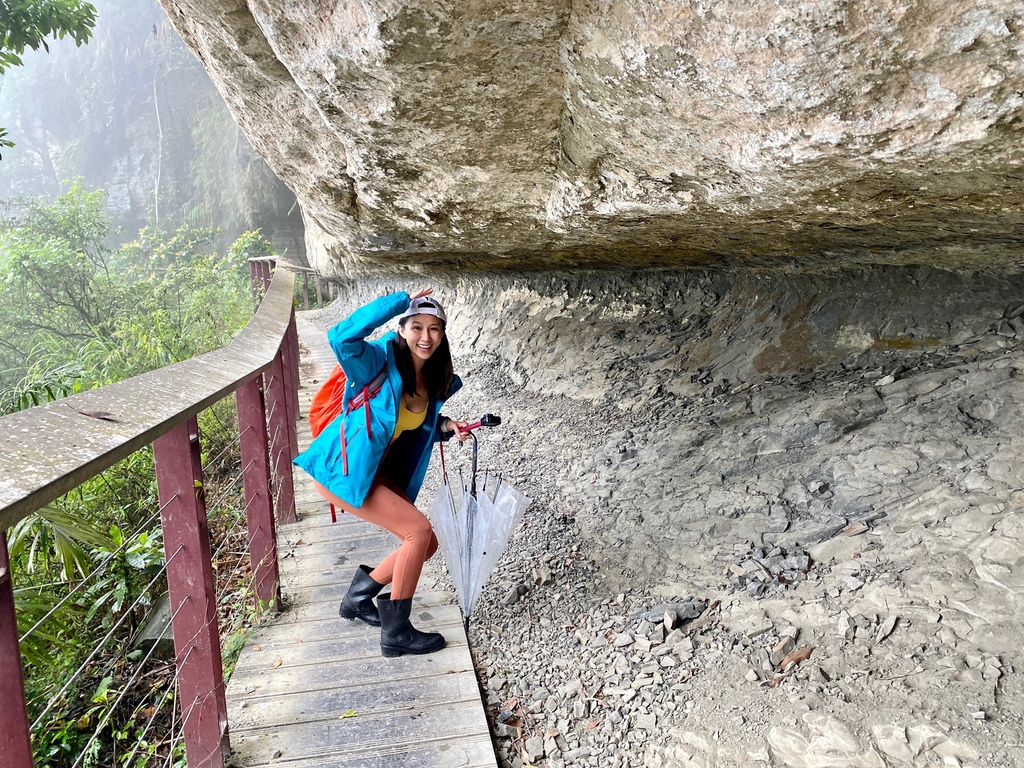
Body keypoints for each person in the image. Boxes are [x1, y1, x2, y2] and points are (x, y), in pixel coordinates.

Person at [293, 289, 470, 657]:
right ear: (401, 330)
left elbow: (402, 419)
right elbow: (340, 336)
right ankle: (396, 633)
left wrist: (442, 424)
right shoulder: (374, 362)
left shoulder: (433, 378)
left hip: (375, 469)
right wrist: (398, 300)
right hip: (344, 470)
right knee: (417, 533)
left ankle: (358, 597)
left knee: (427, 543)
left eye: (435, 328)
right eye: (417, 327)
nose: (426, 337)